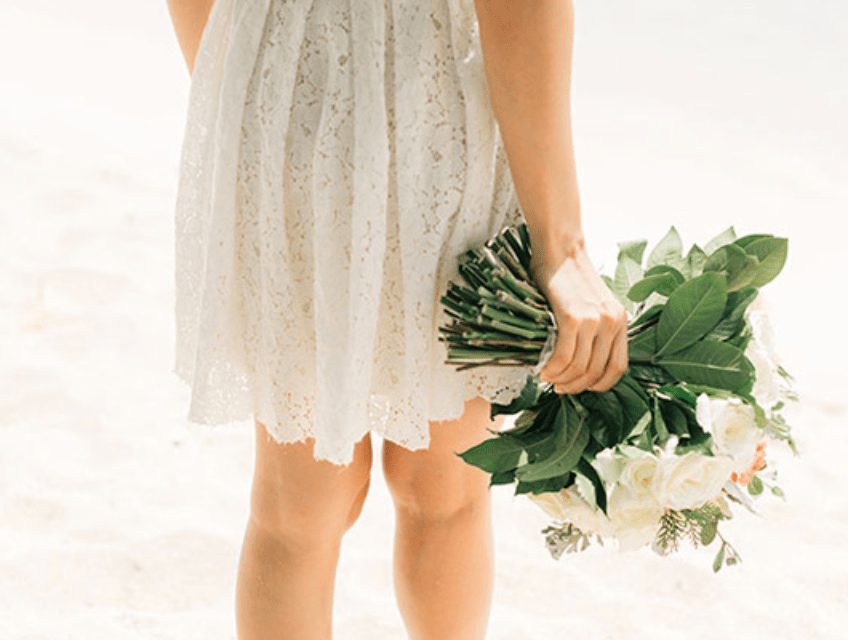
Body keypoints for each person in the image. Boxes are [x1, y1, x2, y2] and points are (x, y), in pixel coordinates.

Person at [165, 1, 627, 638]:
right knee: (443, 483)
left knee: (300, 504)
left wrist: (241, 91)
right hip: (430, 107)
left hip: (281, 78)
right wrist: (563, 246)